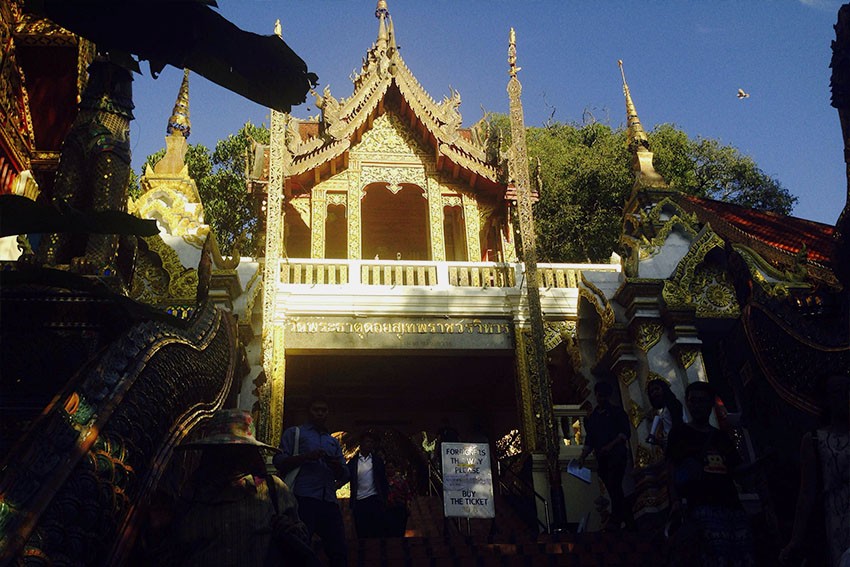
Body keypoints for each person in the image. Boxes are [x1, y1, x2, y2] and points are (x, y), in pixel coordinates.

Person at [163, 409, 316, 566]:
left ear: (249, 453)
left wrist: (289, 530)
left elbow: (301, 536)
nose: (229, 457)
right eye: (222, 450)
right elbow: (176, 545)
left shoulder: (272, 489)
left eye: (237, 450)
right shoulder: (193, 491)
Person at [666, 381, 755, 567]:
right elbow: (671, 467)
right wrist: (674, 500)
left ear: (710, 404)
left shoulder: (721, 436)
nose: (696, 405)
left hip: (729, 503)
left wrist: (756, 466)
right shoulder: (679, 433)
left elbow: (734, 467)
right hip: (699, 504)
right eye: (693, 401)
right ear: (687, 403)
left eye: (702, 401)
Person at [779, 373, 850, 567]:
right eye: (837, 393)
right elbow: (806, 492)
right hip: (833, 516)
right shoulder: (814, 440)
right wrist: (796, 539)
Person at [274, 396, 350, 567]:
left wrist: (335, 465)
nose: (320, 413)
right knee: (300, 548)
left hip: (328, 500)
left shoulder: (332, 442)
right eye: (317, 409)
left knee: (339, 550)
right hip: (303, 498)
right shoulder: (295, 433)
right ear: (309, 412)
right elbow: (279, 460)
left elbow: (345, 474)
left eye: (324, 410)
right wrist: (306, 457)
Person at [578, 381, 632, 531]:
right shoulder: (593, 417)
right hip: (602, 458)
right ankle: (625, 519)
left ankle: (618, 518)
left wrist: (610, 446)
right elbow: (590, 438)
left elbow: (624, 433)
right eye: (599, 396)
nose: (601, 399)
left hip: (616, 455)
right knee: (612, 487)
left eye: (604, 396)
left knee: (615, 485)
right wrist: (583, 456)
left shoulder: (617, 412)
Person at [346, 430, 388, 538]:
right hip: (359, 501)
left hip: (374, 499)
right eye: (367, 442)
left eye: (371, 442)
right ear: (361, 443)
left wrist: (384, 498)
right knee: (361, 531)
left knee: (375, 530)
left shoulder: (377, 461)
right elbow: (347, 476)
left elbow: (383, 479)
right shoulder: (353, 462)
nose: (369, 444)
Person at [645, 379, 685, 448]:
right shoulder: (664, 409)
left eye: (657, 389)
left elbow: (677, 427)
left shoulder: (673, 404)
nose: (655, 393)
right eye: (652, 391)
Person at [384, 460, 414, 537]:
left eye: (391, 468)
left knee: (400, 529)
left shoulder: (401, 480)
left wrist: (407, 505)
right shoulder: (382, 480)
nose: (389, 470)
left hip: (400, 507)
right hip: (387, 508)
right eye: (388, 468)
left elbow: (408, 493)